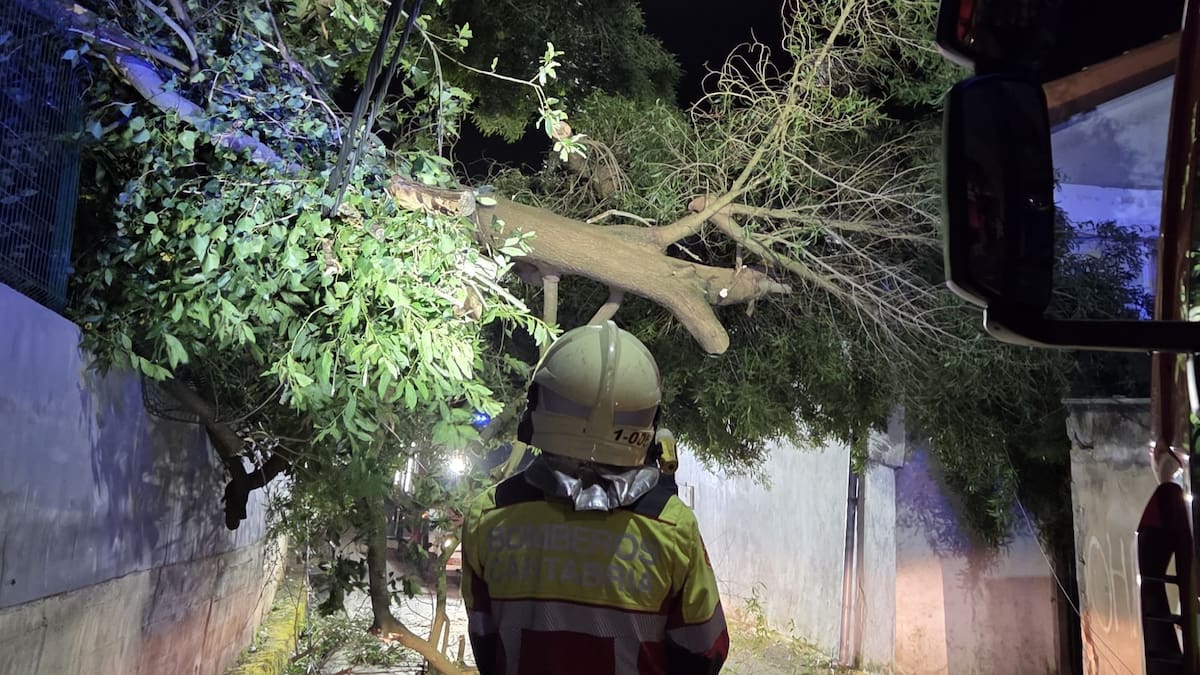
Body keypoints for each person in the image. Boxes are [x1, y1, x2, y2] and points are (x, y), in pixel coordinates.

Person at [461, 321, 728, 675]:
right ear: (645, 425)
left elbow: (486, 642)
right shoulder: (672, 527)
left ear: (537, 408)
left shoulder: (489, 516)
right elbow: (705, 651)